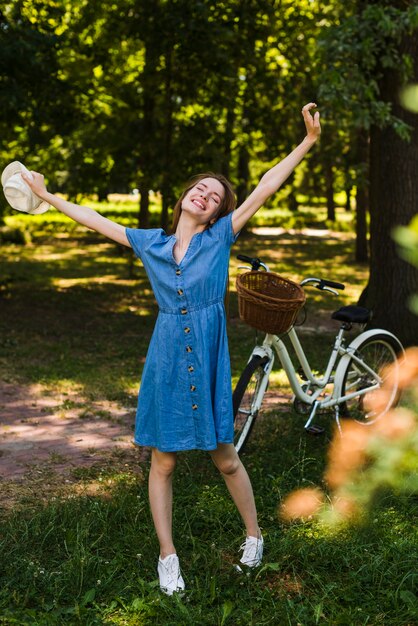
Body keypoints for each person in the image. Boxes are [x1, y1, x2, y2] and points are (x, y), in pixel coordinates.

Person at [22, 102, 321, 595]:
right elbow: (92, 218)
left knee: (224, 456)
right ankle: (168, 556)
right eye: (199, 188)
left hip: (204, 354)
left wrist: (307, 142)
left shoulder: (222, 238)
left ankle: (254, 537)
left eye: (214, 196)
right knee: (163, 461)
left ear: (219, 212)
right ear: (185, 197)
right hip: (165, 356)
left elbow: (266, 183)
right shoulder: (150, 244)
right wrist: (45, 194)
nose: (204, 195)